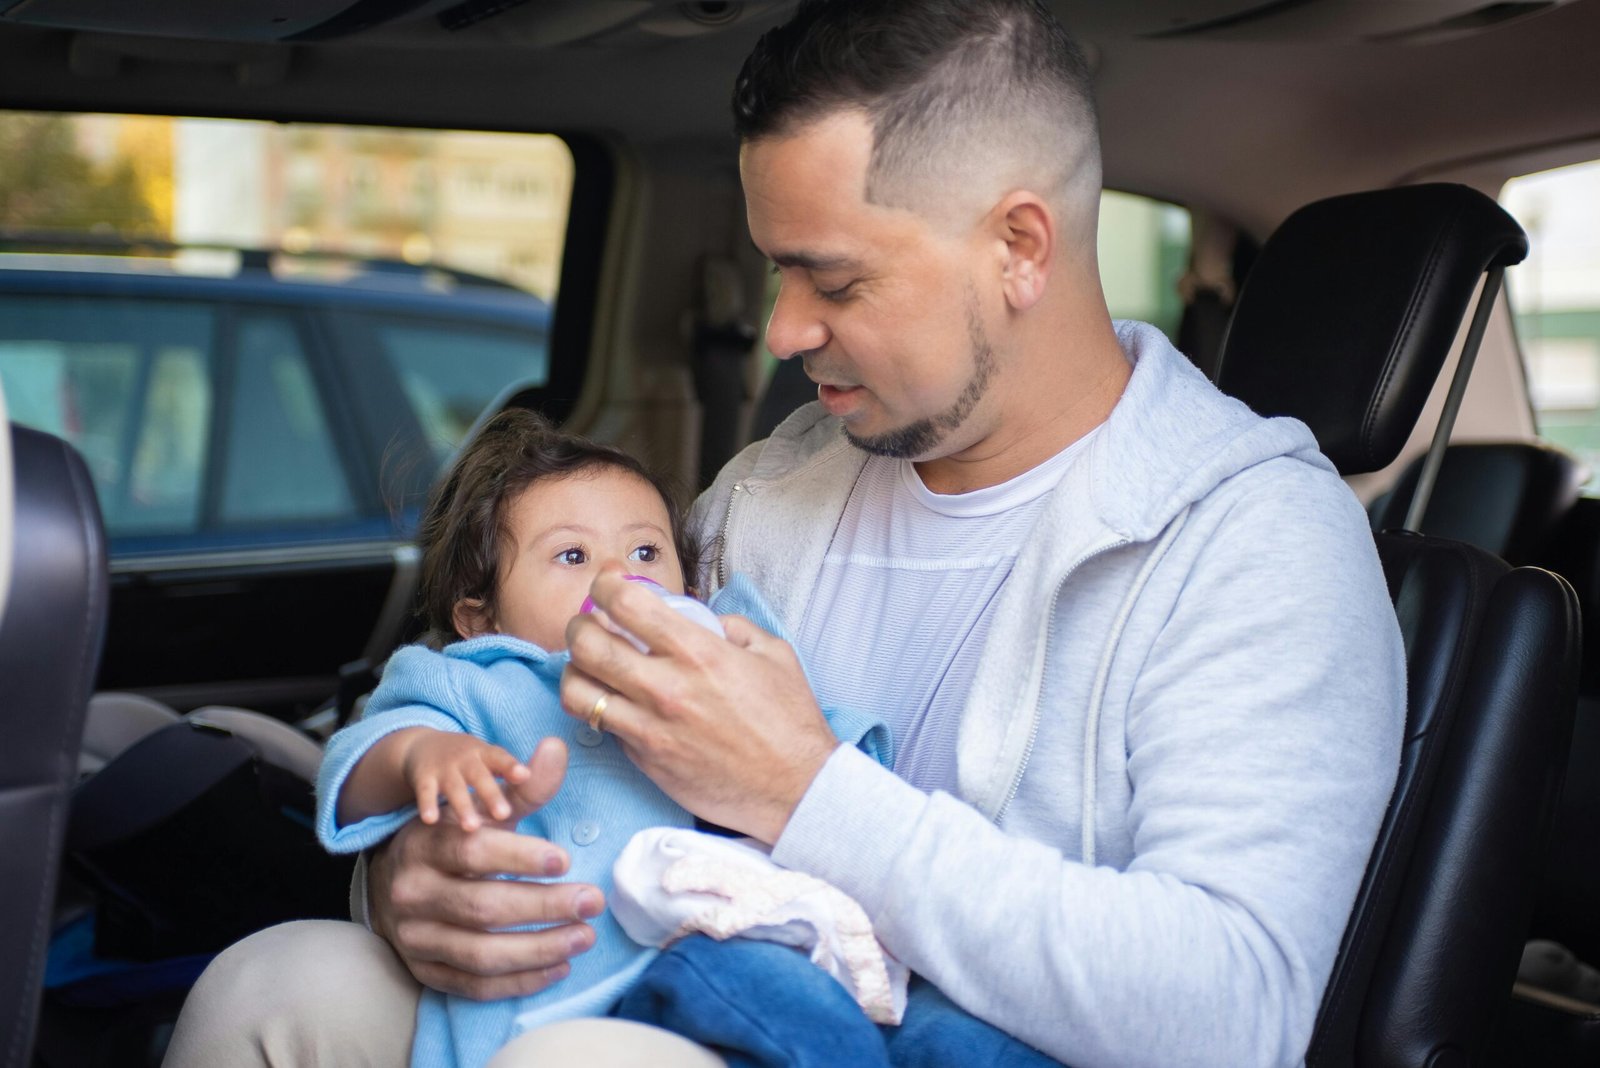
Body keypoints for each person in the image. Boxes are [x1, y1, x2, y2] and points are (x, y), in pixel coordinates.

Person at [164, 2, 1405, 1066]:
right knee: (277, 987)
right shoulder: (774, 490)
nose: (783, 331)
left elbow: (1236, 1009)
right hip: (683, 989)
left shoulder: (1249, 540)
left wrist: (807, 794)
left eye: (836, 280)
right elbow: (564, 757)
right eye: (775, 274)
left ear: (1018, 247)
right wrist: (413, 888)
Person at [310, 407, 894, 1067]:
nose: (620, 578)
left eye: (646, 551)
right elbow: (350, 773)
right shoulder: (470, 680)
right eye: (572, 555)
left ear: (692, 587)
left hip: (700, 974)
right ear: (481, 618)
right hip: (526, 999)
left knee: (841, 1013)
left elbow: (826, 757)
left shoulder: (722, 654)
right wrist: (418, 755)